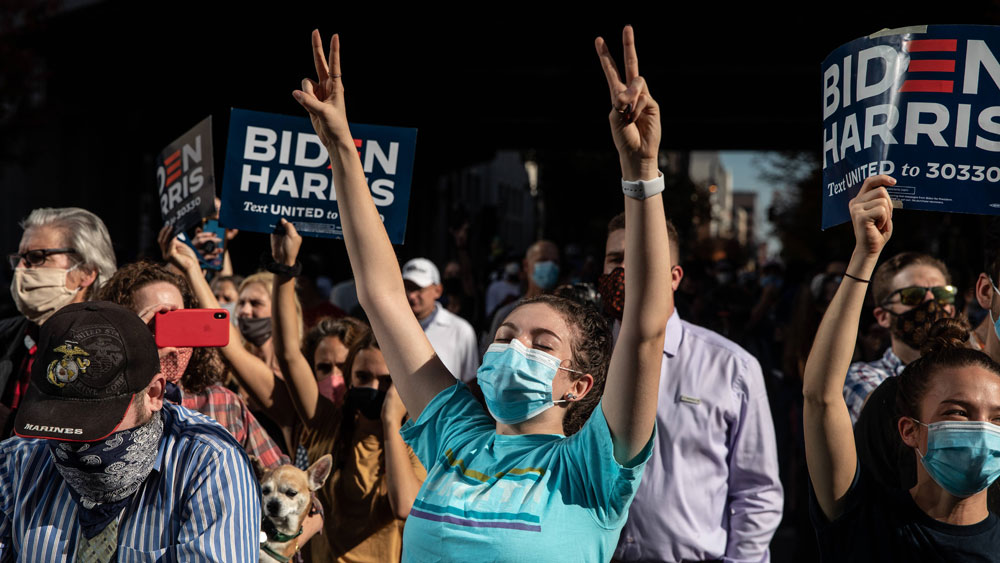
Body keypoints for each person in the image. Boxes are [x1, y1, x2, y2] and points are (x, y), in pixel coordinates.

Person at [291, 25, 670, 560]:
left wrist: (641, 174)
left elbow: (644, 331)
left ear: (580, 385)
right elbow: (382, 297)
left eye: (541, 344)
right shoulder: (457, 434)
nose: (513, 348)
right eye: (506, 335)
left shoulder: (590, 469)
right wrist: (341, 149)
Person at [804, 175, 1000, 562]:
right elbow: (821, 398)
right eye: (958, 412)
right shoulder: (866, 526)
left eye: (998, 418)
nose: (981, 429)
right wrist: (864, 256)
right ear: (908, 429)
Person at [0, 301, 260, 561]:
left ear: (154, 394)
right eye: (58, 415)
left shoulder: (209, 464)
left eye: (96, 420)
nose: (75, 437)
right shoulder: (16, 464)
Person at [608, 213, 783, 562]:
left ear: (674, 277)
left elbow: (757, 491)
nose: (626, 270)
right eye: (615, 259)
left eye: (643, 257)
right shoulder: (582, 359)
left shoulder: (732, 367)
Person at [272, 222, 426, 561]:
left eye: (385, 380)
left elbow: (404, 506)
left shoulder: (418, 441)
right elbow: (288, 355)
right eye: (362, 377)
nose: (372, 387)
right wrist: (285, 269)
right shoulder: (328, 422)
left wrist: (390, 422)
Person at [96, 260, 289, 470]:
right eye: (156, 324)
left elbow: (287, 482)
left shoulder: (221, 404)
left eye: (180, 322)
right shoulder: (99, 404)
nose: (171, 341)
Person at [0, 207, 117, 437]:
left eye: (36, 258)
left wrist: (9, 425)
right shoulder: (7, 336)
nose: (22, 269)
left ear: (86, 272)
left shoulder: (110, 349)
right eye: (20, 259)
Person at [842, 251, 955, 423]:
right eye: (913, 295)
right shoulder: (862, 376)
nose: (930, 302)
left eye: (942, 294)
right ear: (883, 316)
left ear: (952, 310)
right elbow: (888, 423)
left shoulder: (979, 370)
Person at [401, 257, 479, 383]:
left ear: (437, 290)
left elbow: (471, 382)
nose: (411, 295)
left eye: (418, 288)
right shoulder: (392, 327)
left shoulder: (460, 330)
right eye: (408, 287)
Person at [481, 239, 560, 353]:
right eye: (542, 260)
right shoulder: (507, 314)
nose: (550, 266)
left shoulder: (565, 318)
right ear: (526, 265)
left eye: (555, 262)